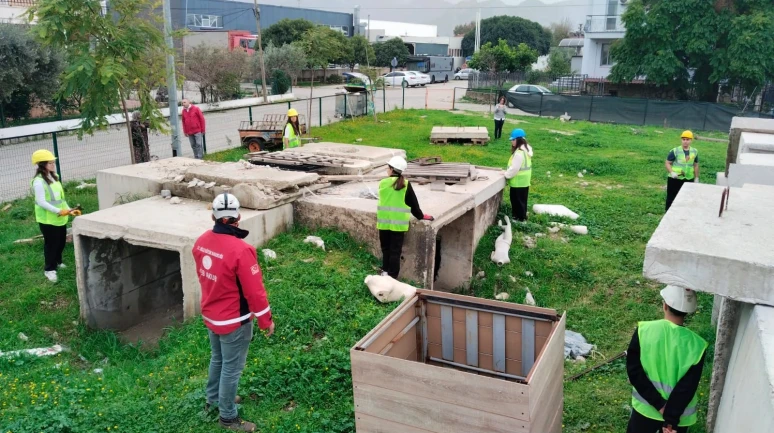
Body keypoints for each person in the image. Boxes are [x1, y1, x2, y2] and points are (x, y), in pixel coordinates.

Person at [193, 193, 275, 432]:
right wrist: (265, 320)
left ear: (213, 216)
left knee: (218, 359)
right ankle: (228, 417)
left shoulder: (200, 242)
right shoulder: (241, 250)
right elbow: (255, 292)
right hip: (235, 320)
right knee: (232, 367)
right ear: (238, 217)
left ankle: (214, 400)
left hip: (211, 313)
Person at [626, 285, 708, 433]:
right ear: (687, 312)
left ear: (665, 305)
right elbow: (687, 387)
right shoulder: (698, 345)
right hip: (678, 418)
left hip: (646, 410)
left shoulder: (644, 331)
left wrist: (659, 405)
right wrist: (671, 419)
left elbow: (634, 372)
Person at [377, 156, 434, 279]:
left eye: (388, 167)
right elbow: (413, 204)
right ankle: (392, 277)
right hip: (398, 225)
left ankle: (385, 271)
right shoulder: (405, 185)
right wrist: (421, 216)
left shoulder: (382, 183)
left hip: (384, 223)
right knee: (395, 252)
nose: (387, 169)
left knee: (385, 249)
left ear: (392, 169)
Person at [30, 149, 80, 283]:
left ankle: (58, 261)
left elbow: (61, 199)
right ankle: (49, 269)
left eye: (53, 162)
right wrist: (58, 211)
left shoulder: (54, 176)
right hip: (47, 219)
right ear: (41, 164)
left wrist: (69, 210)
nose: (53, 165)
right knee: (51, 244)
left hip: (60, 217)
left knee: (61, 242)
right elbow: (41, 201)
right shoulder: (38, 182)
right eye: (50, 163)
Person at [665, 130, 699, 211]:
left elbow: (696, 165)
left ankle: (682, 212)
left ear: (691, 140)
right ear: (681, 140)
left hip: (688, 178)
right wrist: (672, 172)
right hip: (675, 178)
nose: (685, 142)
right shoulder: (675, 151)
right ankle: (669, 212)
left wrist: (696, 177)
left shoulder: (694, 151)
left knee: (686, 197)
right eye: (683, 139)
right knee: (671, 197)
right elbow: (667, 163)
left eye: (687, 139)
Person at [504, 129, 533, 222]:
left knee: (516, 201)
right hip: (524, 180)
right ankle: (521, 216)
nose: (511, 142)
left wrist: (506, 174)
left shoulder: (519, 153)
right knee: (522, 200)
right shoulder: (526, 149)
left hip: (518, 181)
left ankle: (519, 219)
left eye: (513, 140)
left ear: (518, 140)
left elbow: (514, 169)